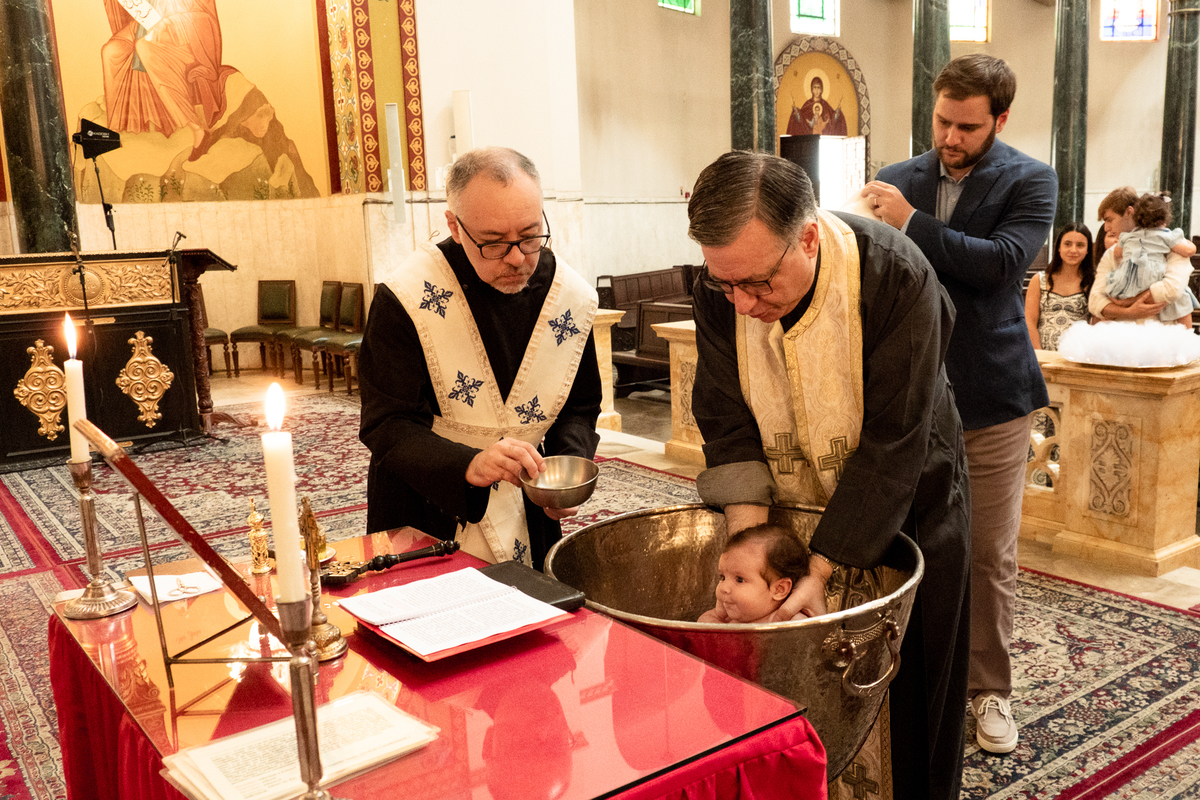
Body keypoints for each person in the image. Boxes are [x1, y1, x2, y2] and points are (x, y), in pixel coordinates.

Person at [688, 150, 971, 800]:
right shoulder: (722, 284)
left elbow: (894, 438)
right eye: (726, 284)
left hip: (908, 507)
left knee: (909, 697)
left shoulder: (896, 275)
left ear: (808, 236)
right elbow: (725, 415)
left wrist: (818, 572)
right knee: (776, 689)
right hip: (787, 505)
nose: (742, 302)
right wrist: (756, 555)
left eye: (757, 283)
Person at [863, 53, 1057, 756]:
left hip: (992, 395)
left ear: (1000, 120)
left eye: (967, 127)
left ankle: (989, 693)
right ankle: (906, 675)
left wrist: (910, 222)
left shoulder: (1031, 179)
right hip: (907, 394)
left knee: (986, 554)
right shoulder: (895, 176)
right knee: (905, 539)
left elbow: (1001, 264)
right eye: (943, 120)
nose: (949, 136)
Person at [358, 146, 601, 571]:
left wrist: (564, 468)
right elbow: (387, 424)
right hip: (427, 508)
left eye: (529, 236)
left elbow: (579, 406)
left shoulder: (567, 297)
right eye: (493, 243)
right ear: (454, 225)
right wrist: (470, 464)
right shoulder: (406, 297)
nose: (517, 258)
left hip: (531, 511)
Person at [101, 0, 234, 151]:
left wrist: (168, 22)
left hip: (182, 34)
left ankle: (197, 129)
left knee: (144, 47)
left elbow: (204, 17)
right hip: (146, 24)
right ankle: (115, 131)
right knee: (111, 51)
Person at [1088, 186, 1195, 323]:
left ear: (1129, 212)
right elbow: (1095, 301)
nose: (1106, 228)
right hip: (1119, 336)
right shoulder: (1112, 252)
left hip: (1161, 335)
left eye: (1109, 220)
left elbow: (1172, 289)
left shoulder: (1171, 247)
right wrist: (1128, 312)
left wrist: (1126, 302)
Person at [698, 524, 811, 624]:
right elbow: (704, 620)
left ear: (779, 589)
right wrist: (716, 626)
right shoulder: (728, 616)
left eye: (739, 580)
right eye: (722, 577)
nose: (723, 588)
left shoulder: (790, 624)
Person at [1025, 224, 1095, 351]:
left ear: (1088, 249)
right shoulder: (1039, 280)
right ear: (1058, 247)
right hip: (1041, 356)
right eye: (1067, 244)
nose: (1073, 250)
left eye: (1080, 245)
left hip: (1078, 356)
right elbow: (1029, 322)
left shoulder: (1094, 282)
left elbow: (1096, 325)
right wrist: (1039, 355)